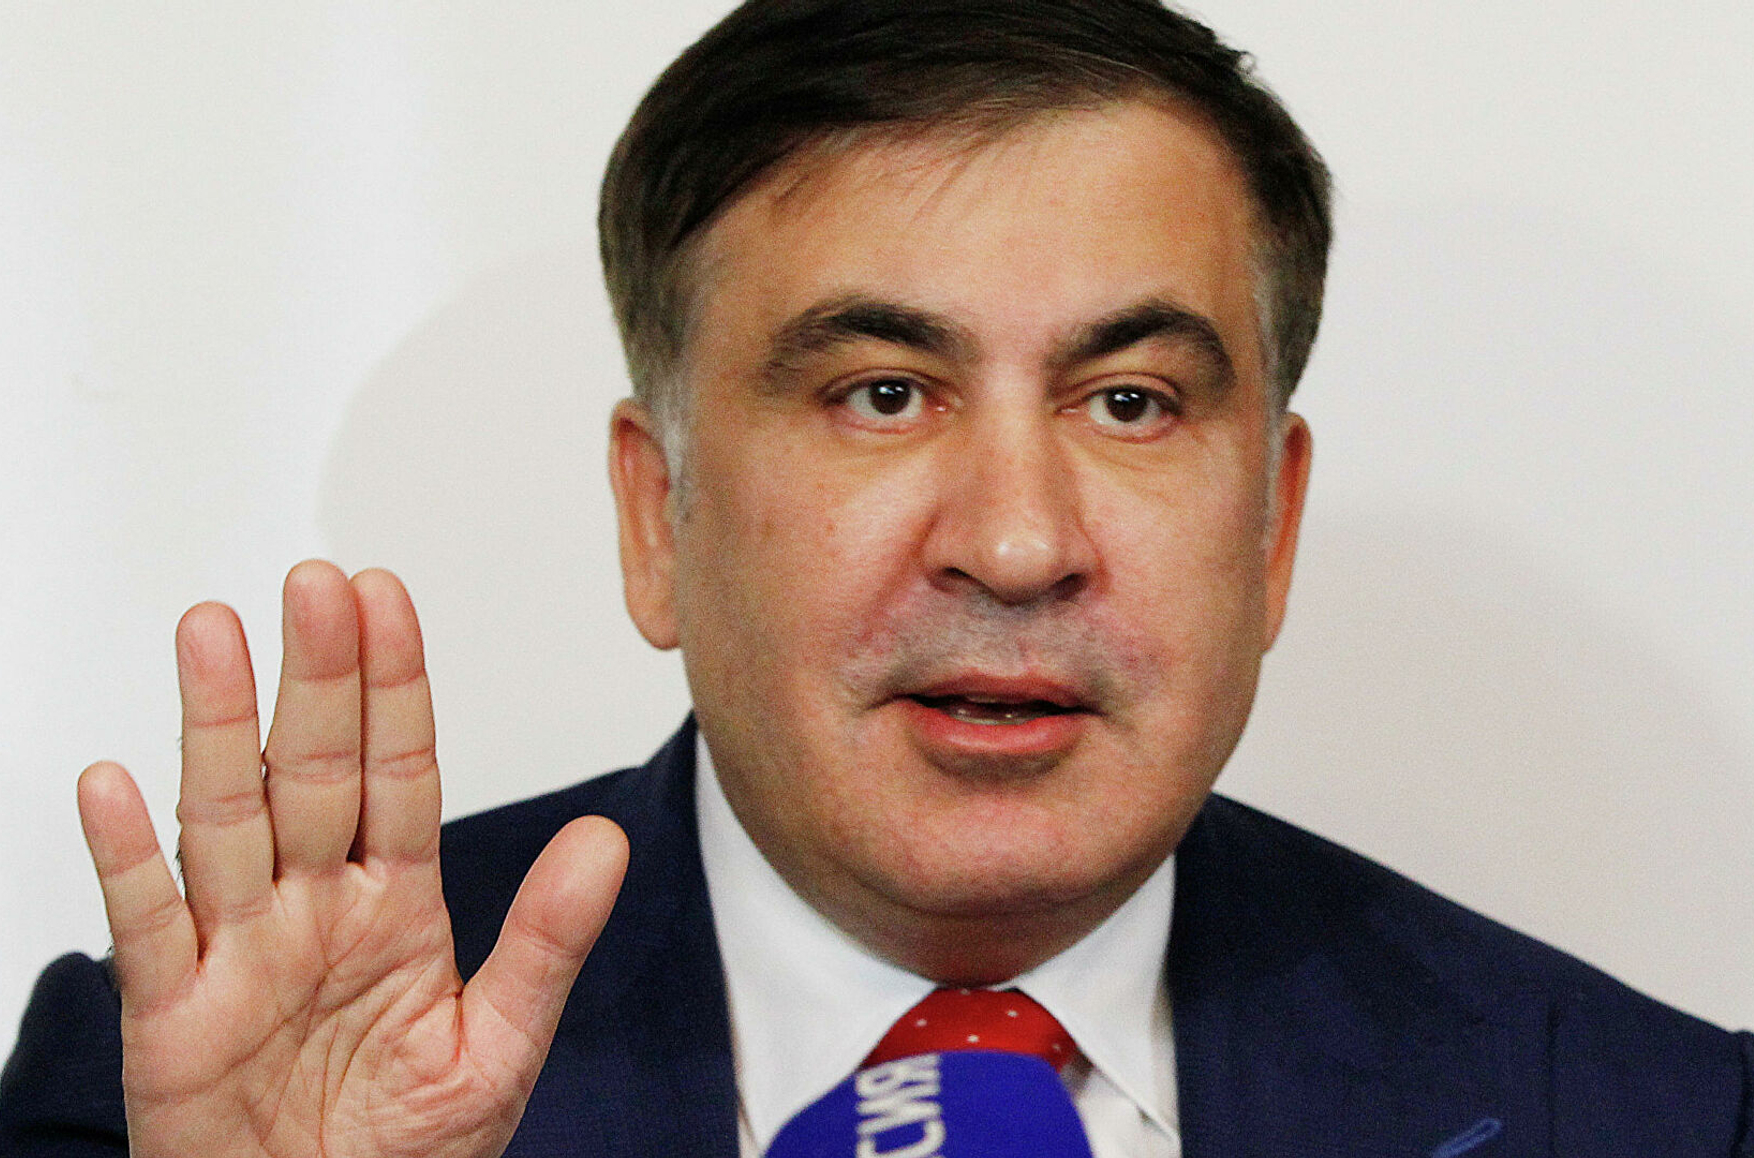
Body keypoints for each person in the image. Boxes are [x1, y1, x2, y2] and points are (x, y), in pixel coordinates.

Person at [2, 0, 1749, 1155]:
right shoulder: (191, 1081)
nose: (1016, 542)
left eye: (1130, 401)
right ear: (656, 512)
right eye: (882, 394)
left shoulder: (1647, 1115)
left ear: (1272, 526)